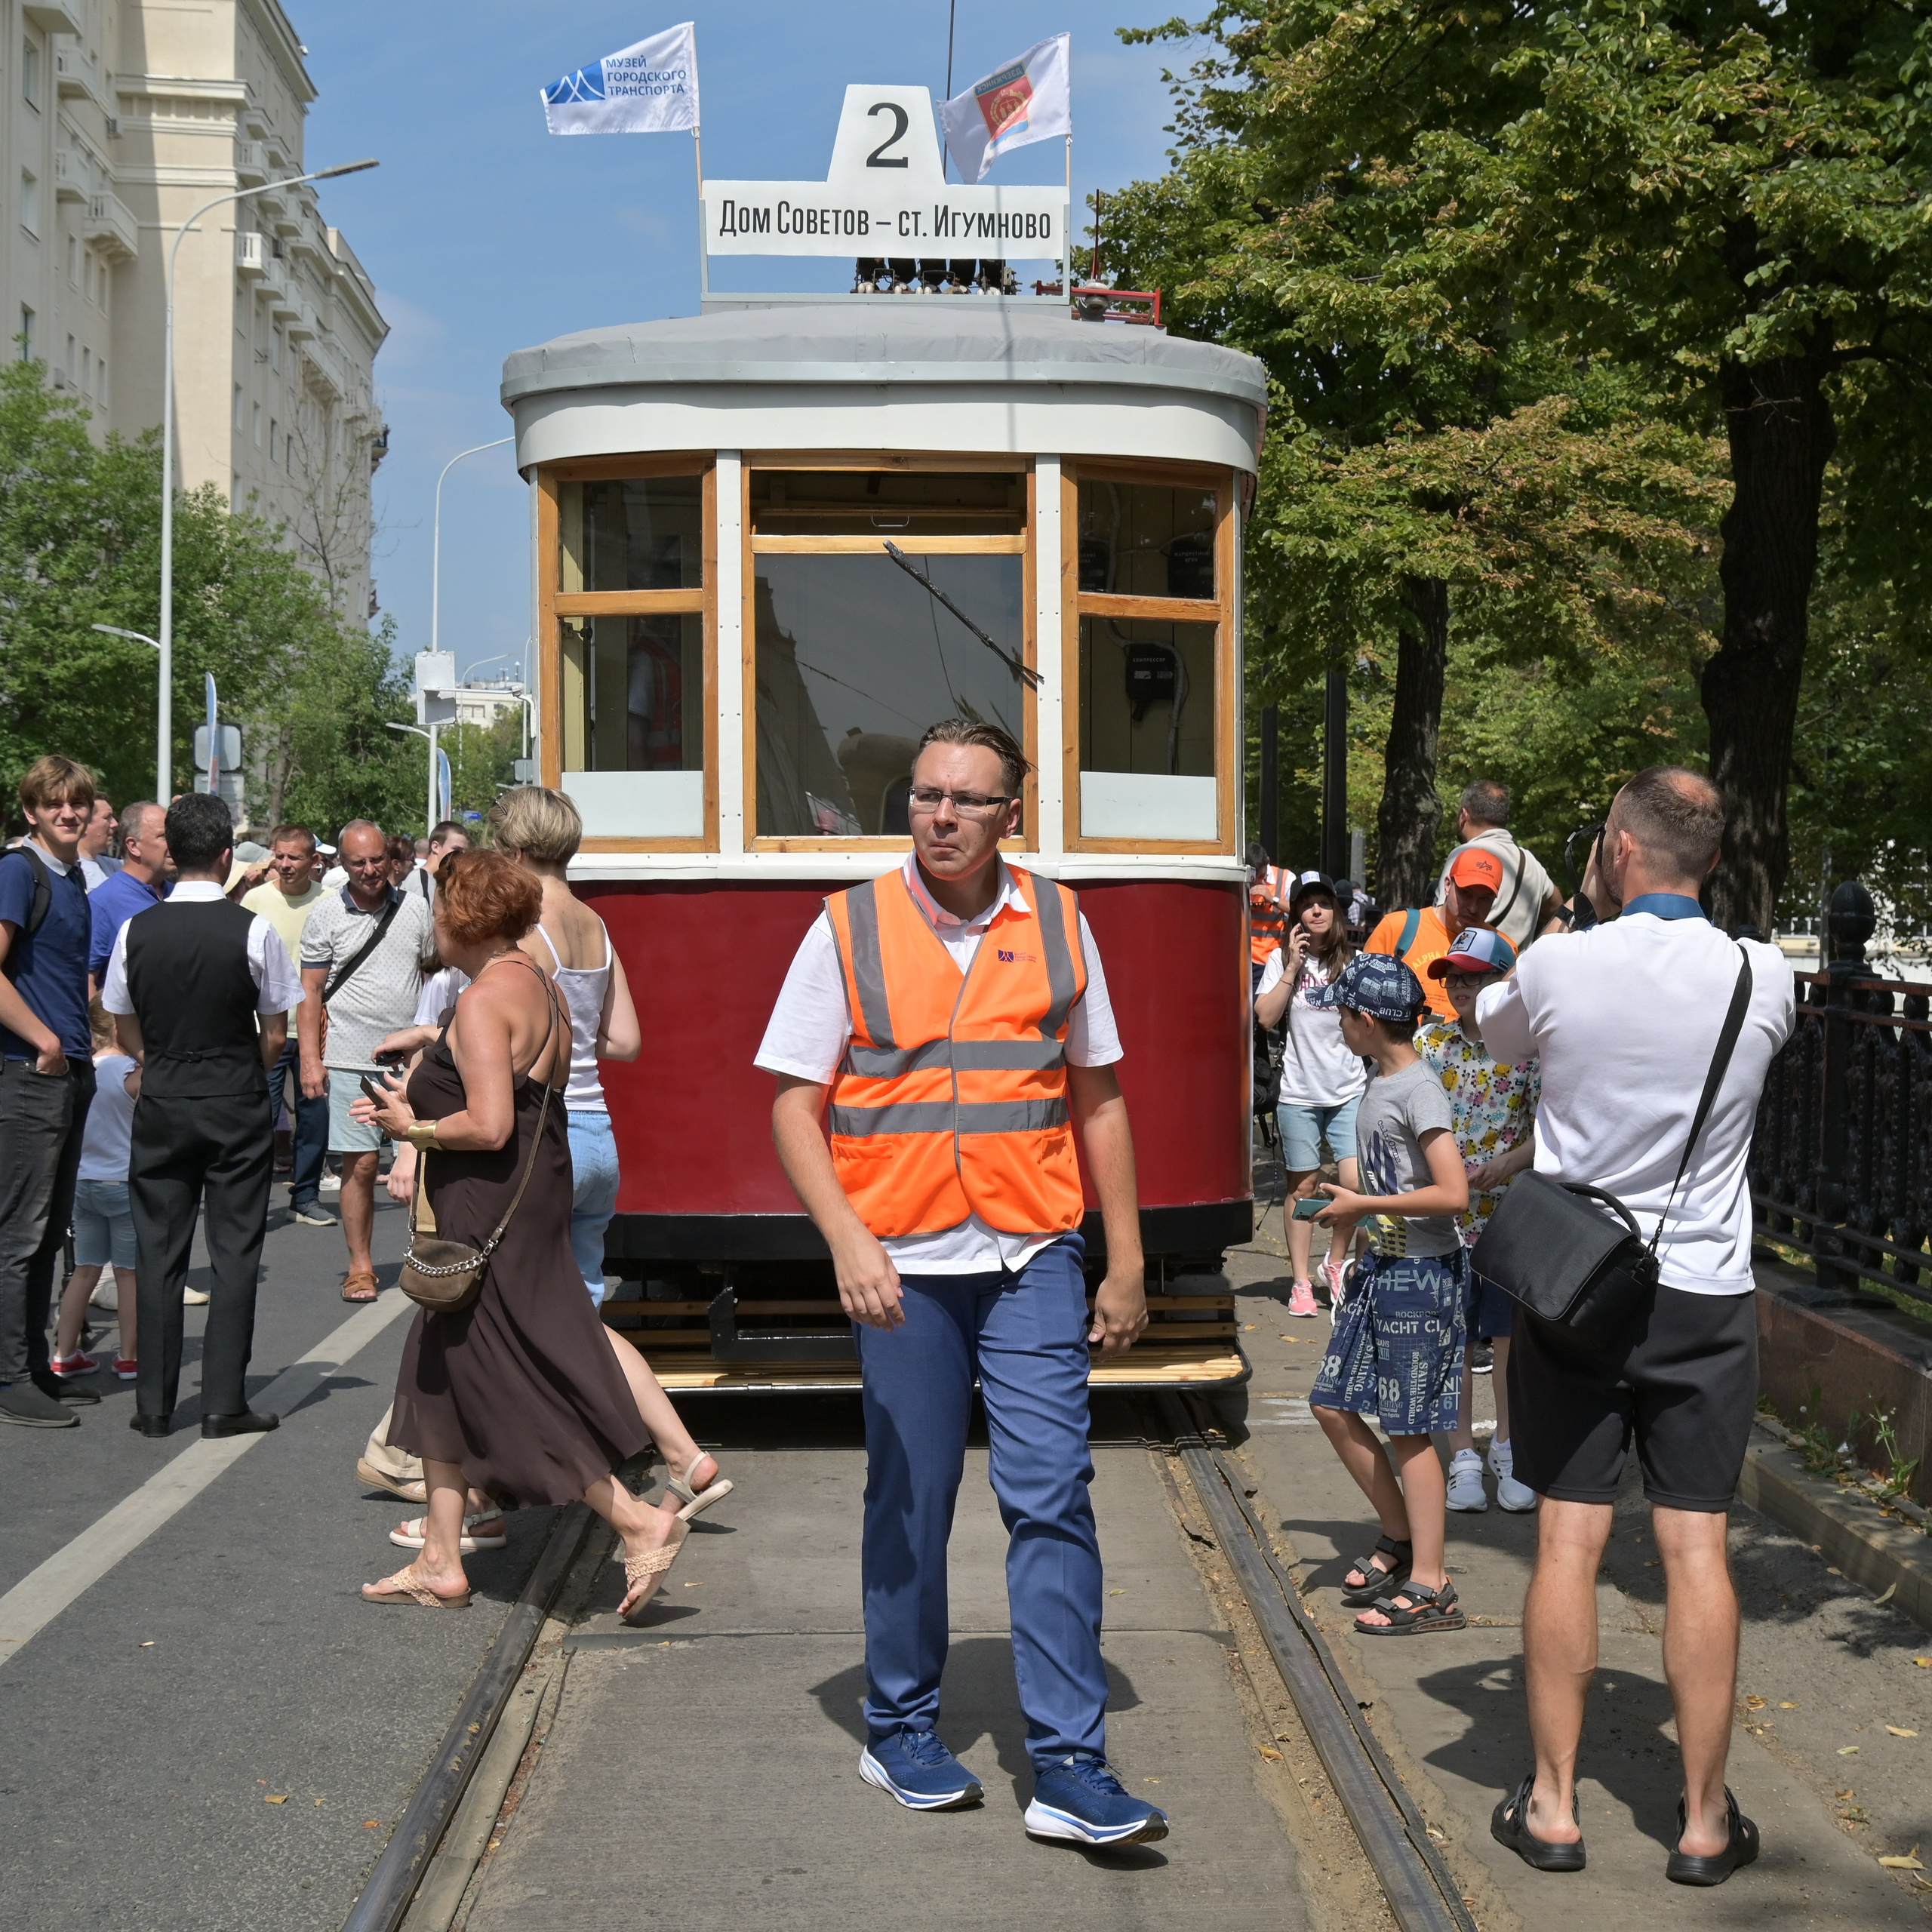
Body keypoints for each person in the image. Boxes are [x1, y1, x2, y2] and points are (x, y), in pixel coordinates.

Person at [759, 716, 1168, 1848]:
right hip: (901, 1265)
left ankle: (1071, 1764)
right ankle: (900, 1728)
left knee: (1053, 1494)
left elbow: (1101, 1098)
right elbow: (795, 1101)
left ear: (1009, 815)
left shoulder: (1060, 922)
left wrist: (1125, 1261)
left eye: (967, 800)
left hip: (1032, 1251)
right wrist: (845, 1238)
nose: (940, 816)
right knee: (914, 1495)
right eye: (926, 796)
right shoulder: (846, 927)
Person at [1475, 767, 1795, 1884]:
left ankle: (1555, 1807)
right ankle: (1705, 1823)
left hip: (1580, 1292)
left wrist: (1565, 925)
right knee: (1695, 1543)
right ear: (1712, 858)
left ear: (1617, 848)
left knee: (1569, 1538)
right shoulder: (1767, 974)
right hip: (1706, 1293)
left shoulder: (1560, 963)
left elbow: (1496, 1037)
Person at [350, 850, 692, 1614]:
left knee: (507, 1378)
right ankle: (441, 1558)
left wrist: (416, 1124)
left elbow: (490, 1123)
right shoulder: (539, 986)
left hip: (488, 1206)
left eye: (438, 907)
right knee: (439, 1366)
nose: (431, 921)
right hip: (531, 1195)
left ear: (462, 918)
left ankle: (637, 1523)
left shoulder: (481, 1000)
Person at [103, 792, 300, 1437]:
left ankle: (155, 1407)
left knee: (159, 1250)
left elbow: (121, 1016)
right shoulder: (255, 929)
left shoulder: (138, 928)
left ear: (172, 856)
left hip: (163, 1096)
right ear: (223, 857)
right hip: (234, 1095)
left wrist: (151, 1058)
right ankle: (222, 1402)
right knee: (235, 1250)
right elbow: (276, 1031)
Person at [1306, 953, 1471, 1636]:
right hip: (1385, 1270)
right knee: (1332, 1404)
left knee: (1410, 1429)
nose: (1338, 1026)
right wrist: (1355, 1219)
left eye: (1342, 1015)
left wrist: (1362, 1205)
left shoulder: (1418, 1092)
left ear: (1366, 1021)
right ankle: (1401, 1538)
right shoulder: (1382, 1079)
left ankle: (1433, 1584)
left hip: (1422, 1278)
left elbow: (1452, 1193)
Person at [1415, 927, 1539, 1515]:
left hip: (1510, 1223)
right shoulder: (1430, 1045)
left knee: (1509, 1340)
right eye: (1453, 977)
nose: (1460, 986)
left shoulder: (1526, 1051)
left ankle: (1509, 1447)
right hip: (1446, 1224)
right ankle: (1463, 1454)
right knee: (1456, 1341)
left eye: (1474, 975)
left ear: (1501, 983)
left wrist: (1508, 1163)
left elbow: (1550, 1133)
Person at [0, 756, 103, 1427]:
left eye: (78, 804)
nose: (69, 813)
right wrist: (42, 1042)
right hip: (29, 1074)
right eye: (55, 804)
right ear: (33, 811)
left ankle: (34, 1365)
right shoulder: (19, 870)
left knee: (45, 1232)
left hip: (65, 1071)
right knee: (20, 1232)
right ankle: (10, 1374)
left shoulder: (72, 879)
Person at [297, 821, 438, 1302]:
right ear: (342, 862)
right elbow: (310, 991)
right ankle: (360, 1266)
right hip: (348, 1059)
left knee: (424, 1160)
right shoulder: (324, 914)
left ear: (391, 858)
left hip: (412, 1062)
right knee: (359, 1166)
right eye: (358, 862)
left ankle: (429, 1257)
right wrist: (311, 1060)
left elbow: (434, 973)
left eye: (377, 859)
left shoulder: (417, 909)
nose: (370, 870)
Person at [1255, 871, 1364, 1318]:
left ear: (1336, 913)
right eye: (1307, 904)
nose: (1316, 910)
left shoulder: (1354, 963)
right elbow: (1264, 1017)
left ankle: (1334, 1263)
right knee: (1302, 1187)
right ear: (1296, 914)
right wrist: (1295, 967)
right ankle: (1300, 1281)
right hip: (1299, 1093)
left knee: (1355, 1184)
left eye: (1323, 903)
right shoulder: (1281, 962)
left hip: (1349, 1089)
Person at [242, 825, 334, 1229]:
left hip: (315, 1031)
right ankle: (251, 1200)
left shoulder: (330, 902)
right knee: (260, 1116)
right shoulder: (255, 900)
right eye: (279, 856)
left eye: (294, 857)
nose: (284, 865)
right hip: (266, 1029)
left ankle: (306, 1195)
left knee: (314, 1118)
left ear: (314, 861)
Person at [51, 998, 140, 1382]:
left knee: (85, 1272)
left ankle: (64, 1353)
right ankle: (129, 1356)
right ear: (122, 1027)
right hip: (124, 1182)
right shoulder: (132, 1074)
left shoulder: (81, 1070)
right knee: (128, 1275)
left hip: (83, 1182)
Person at [1364, 847, 1505, 1022]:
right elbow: (1363, 999)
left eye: (1485, 899)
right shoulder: (1397, 928)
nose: (1473, 907)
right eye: (1466, 893)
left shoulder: (1502, 949)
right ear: (1447, 885)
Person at [1434, 780, 1562, 953]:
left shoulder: (1464, 855)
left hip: (1463, 975)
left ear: (1464, 815)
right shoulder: (1530, 863)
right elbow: (1558, 908)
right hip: (1513, 974)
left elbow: (1440, 924)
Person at [87, 800, 169, 996]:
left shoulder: (179, 893)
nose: (174, 844)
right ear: (133, 846)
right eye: (164, 836)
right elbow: (87, 978)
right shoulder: (103, 901)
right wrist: (105, 1026)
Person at [1247, 841, 1287, 990]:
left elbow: (1299, 908)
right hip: (1243, 959)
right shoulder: (1241, 879)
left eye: (1262, 876)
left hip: (1268, 961)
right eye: (1254, 878)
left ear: (1268, 862)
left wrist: (1273, 899)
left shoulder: (1285, 878)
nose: (1258, 882)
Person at [411, 820, 472, 907]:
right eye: (456, 850)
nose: (462, 856)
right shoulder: (417, 880)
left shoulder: (450, 881)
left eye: (465, 852)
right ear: (435, 847)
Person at [78, 796, 120, 892]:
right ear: (84, 824)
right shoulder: (74, 873)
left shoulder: (112, 865)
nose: (115, 823)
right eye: (107, 817)